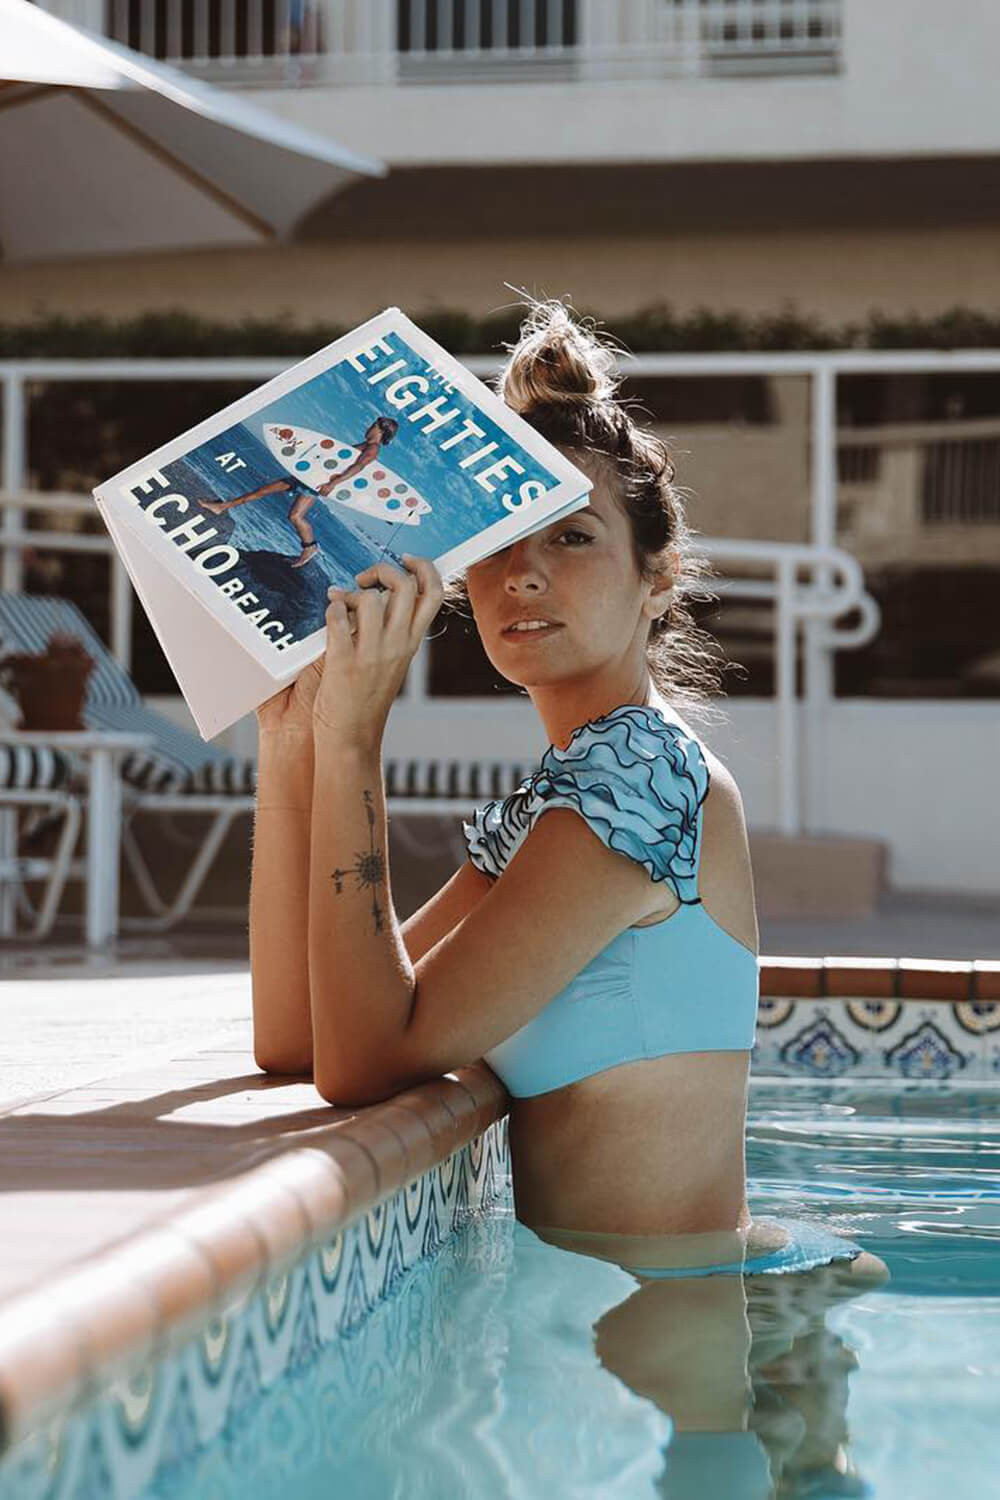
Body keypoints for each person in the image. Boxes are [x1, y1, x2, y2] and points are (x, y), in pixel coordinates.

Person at [249, 297, 888, 1289]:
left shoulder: (644, 783)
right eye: (501, 544)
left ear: (658, 576)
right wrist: (292, 745)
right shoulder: (557, 798)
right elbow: (302, 1031)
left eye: (572, 538)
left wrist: (355, 741)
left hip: (678, 1335)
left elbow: (366, 1058)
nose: (525, 575)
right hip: (625, 1332)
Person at [198, 416, 398, 568]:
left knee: (295, 516)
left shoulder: (373, 449)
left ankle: (310, 547)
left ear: (380, 430)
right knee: (262, 491)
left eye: (373, 425)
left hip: (317, 483)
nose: (369, 426)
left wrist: (334, 483)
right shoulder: (365, 444)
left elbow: (358, 468)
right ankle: (221, 507)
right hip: (311, 477)